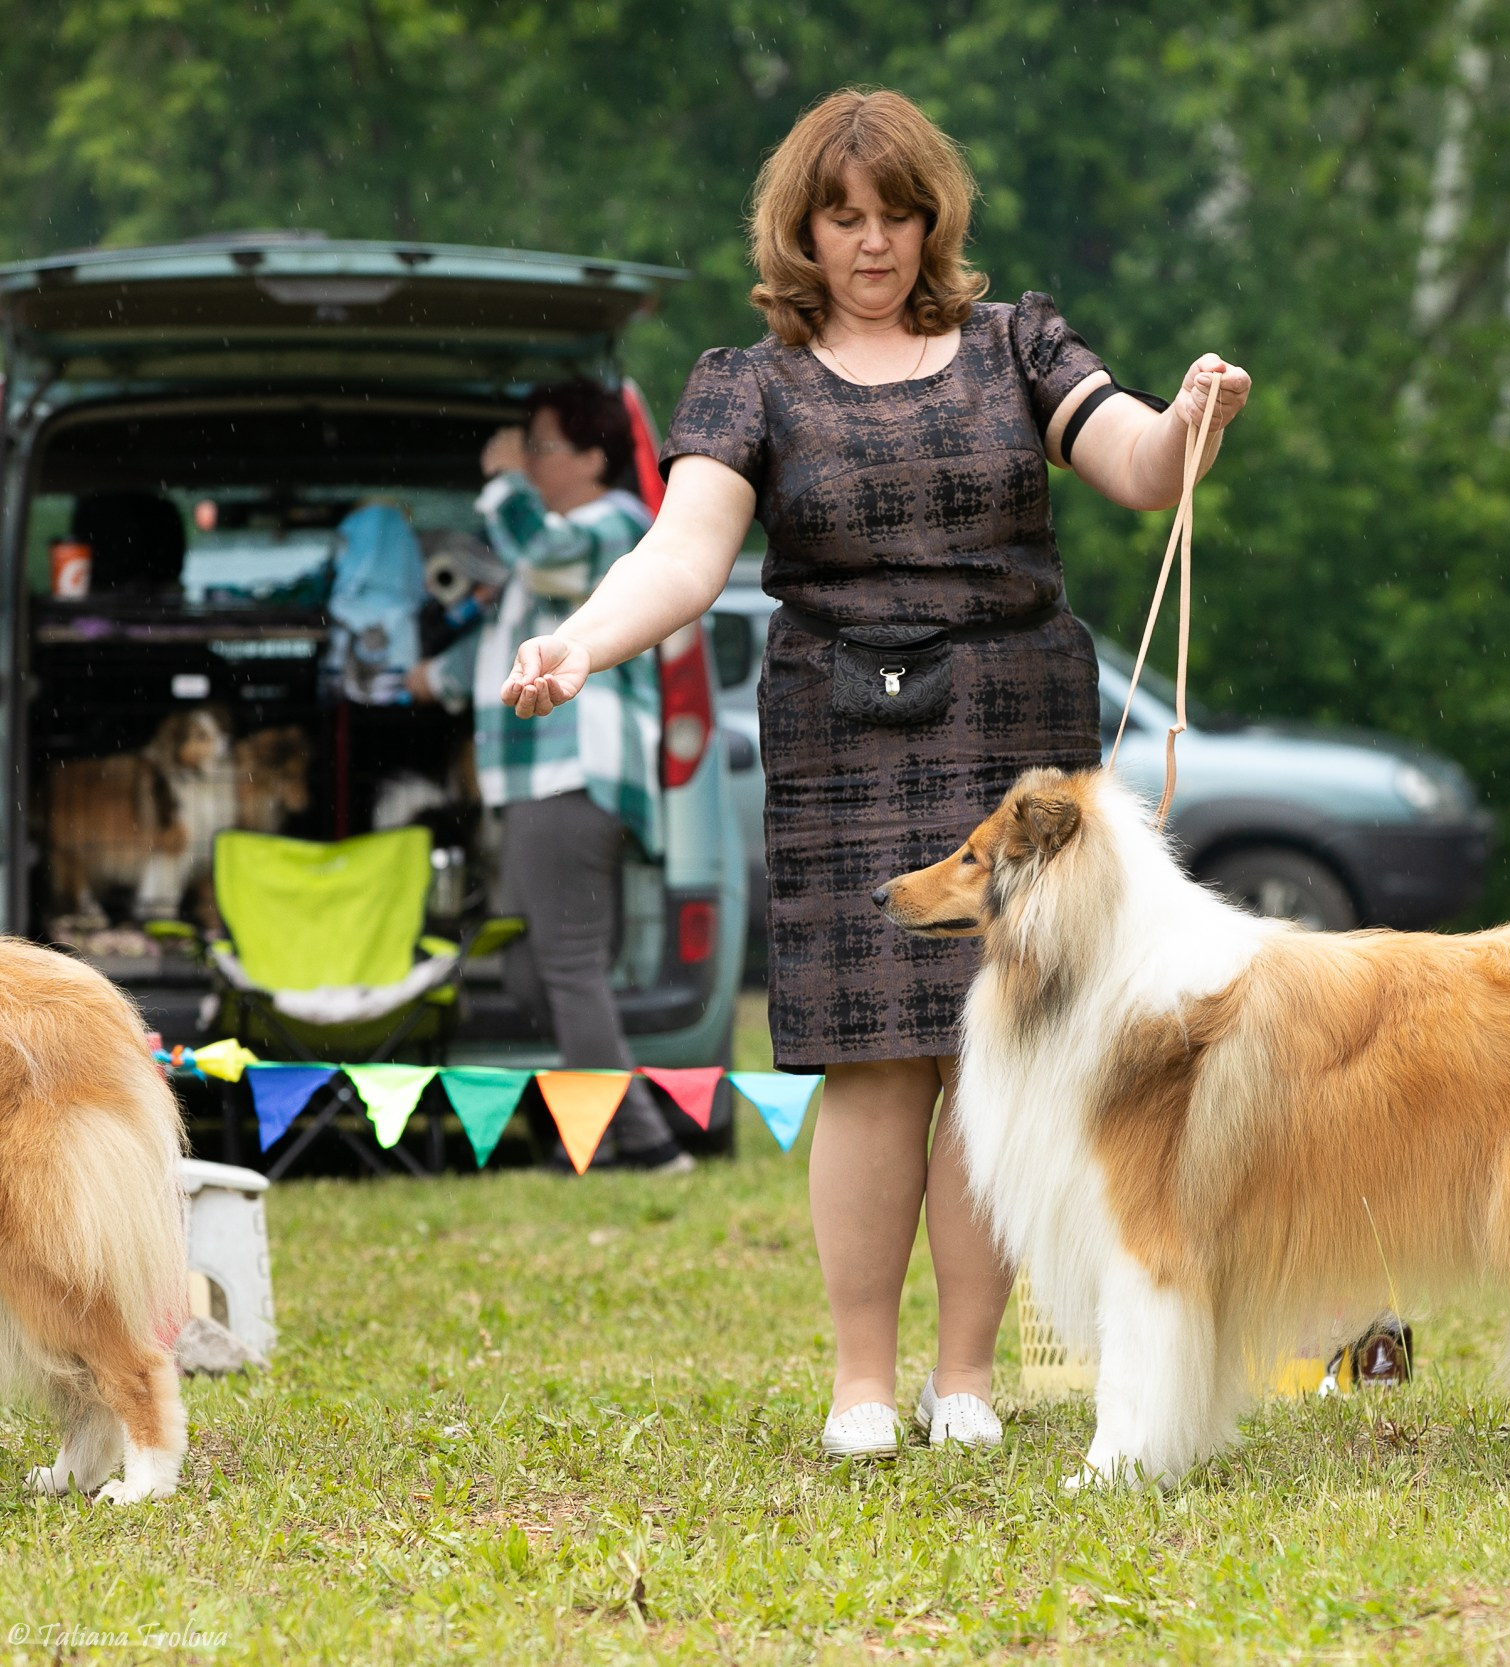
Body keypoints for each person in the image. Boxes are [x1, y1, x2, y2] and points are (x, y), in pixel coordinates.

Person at [496, 87, 1250, 1456]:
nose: (873, 241)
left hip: (1011, 732)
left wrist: (1193, 416)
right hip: (840, 729)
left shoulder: (1017, 342)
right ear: (801, 228)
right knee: (871, 1063)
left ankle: (968, 1376)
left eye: (897, 213)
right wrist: (578, 641)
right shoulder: (749, 380)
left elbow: (1136, 463)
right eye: (843, 217)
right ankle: (864, 1383)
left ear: (931, 218)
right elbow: (684, 555)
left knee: (996, 1057)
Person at [410, 382, 694, 1175]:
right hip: (540, 778)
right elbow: (508, 636)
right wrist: (422, 675)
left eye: (541, 446)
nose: (528, 461)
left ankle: (638, 1142)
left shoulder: (617, 525)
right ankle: (615, 1123)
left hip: (574, 772)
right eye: (525, 448)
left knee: (563, 965)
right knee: (538, 967)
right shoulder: (565, 541)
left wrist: (500, 480)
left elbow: (543, 557)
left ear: (594, 457)